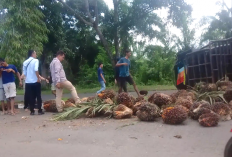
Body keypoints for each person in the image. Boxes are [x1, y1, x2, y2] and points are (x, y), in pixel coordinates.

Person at [23, 50, 44, 115]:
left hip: (28, 82)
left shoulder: (25, 62)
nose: (36, 55)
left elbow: (25, 73)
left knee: (31, 96)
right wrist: (38, 78)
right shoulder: (36, 60)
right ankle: (39, 110)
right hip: (35, 81)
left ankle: (32, 111)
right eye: (35, 53)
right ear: (32, 54)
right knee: (38, 96)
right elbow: (36, 69)